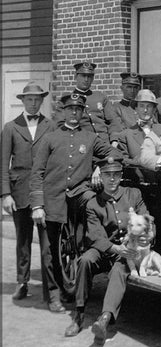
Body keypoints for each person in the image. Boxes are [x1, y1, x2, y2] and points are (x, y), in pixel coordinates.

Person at [29, 93, 113, 312]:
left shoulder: (90, 138)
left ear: (83, 112)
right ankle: (54, 296)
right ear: (64, 111)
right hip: (52, 201)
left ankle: (75, 290)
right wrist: (37, 205)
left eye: (78, 110)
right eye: (70, 109)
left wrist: (99, 166)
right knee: (49, 251)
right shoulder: (50, 138)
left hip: (77, 200)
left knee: (77, 247)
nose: (74, 113)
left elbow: (113, 153)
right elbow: (36, 172)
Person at [63, 157, 151, 342]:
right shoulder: (93, 203)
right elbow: (95, 236)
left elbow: (147, 219)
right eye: (107, 175)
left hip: (127, 252)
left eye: (116, 174)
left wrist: (148, 236)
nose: (112, 179)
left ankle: (104, 319)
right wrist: (116, 249)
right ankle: (78, 316)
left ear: (121, 176)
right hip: (104, 249)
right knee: (85, 260)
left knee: (120, 270)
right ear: (100, 178)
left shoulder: (133, 194)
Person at [1, 82, 57, 302]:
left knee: (47, 245)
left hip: (44, 193)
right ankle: (22, 282)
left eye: (37, 100)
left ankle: (50, 290)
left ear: (42, 101)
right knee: (22, 241)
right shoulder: (10, 127)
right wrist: (5, 194)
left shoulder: (51, 126)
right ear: (22, 100)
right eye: (29, 99)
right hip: (19, 192)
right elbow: (3, 162)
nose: (33, 104)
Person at [54, 61, 121, 146]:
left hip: (104, 144)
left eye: (89, 76)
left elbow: (113, 121)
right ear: (75, 76)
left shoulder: (101, 97)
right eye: (83, 76)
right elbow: (59, 125)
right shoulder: (67, 100)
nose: (86, 79)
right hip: (82, 144)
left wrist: (114, 140)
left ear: (93, 78)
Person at [116, 89, 158, 167]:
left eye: (149, 106)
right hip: (138, 177)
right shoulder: (126, 135)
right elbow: (123, 160)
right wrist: (140, 161)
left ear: (154, 109)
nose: (145, 110)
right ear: (136, 109)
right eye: (141, 106)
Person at [110, 72, 142, 140]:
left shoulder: (143, 107)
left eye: (135, 87)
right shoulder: (115, 108)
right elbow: (119, 131)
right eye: (129, 87)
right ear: (122, 88)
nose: (132, 91)